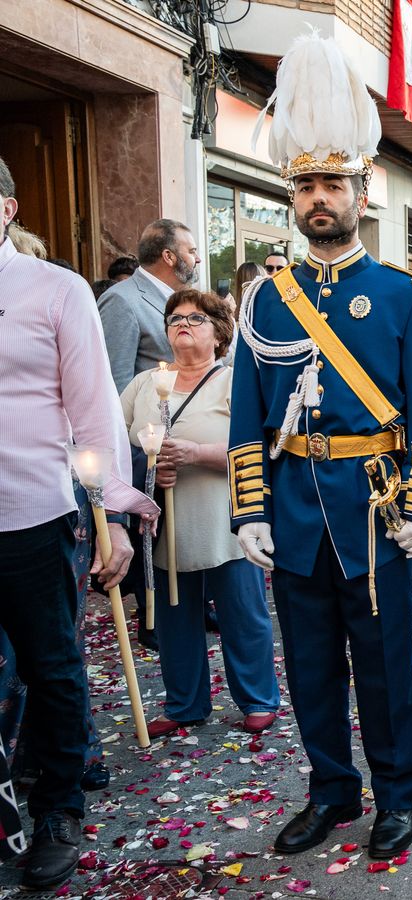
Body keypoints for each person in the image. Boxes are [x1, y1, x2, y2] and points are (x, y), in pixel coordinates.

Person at [229, 36, 412, 861]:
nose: (320, 198)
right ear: (293, 196)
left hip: (375, 511)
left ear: (363, 191)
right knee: (312, 670)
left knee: (388, 671)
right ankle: (330, 791)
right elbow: (248, 415)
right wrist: (249, 509)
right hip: (291, 512)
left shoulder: (400, 296)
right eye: (306, 185)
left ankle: (397, 794)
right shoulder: (264, 300)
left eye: (334, 184)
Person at [0, 155, 143, 891]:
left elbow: (92, 413)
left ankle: (57, 807)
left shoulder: (54, 290)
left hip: (33, 513)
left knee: (50, 665)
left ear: (8, 209)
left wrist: (111, 516)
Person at [121, 289, 280, 737]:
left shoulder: (235, 383)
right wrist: (148, 471)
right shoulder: (142, 385)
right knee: (173, 616)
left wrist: (197, 453)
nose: (182, 324)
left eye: (195, 318)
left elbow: (263, 449)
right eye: (174, 318)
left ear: (219, 333)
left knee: (242, 613)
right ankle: (185, 702)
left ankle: (257, 697)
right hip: (165, 520)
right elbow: (116, 445)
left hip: (225, 519)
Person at [98, 218, 202, 392]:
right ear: (169, 257)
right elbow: (116, 384)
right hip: (155, 416)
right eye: (191, 251)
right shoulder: (121, 300)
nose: (197, 259)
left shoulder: (184, 298)